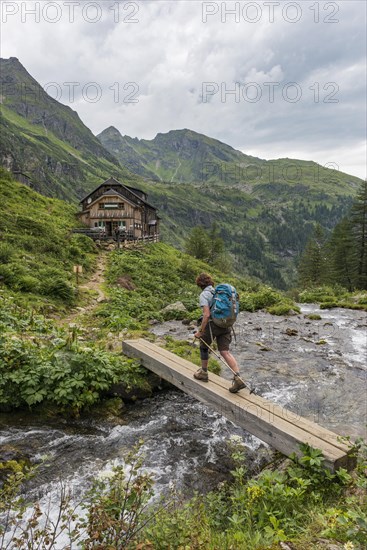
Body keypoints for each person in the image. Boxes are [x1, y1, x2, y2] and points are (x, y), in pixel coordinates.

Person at [193, 272, 246, 393]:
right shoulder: (218, 291)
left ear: (199, 284)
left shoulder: (204, 294)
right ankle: (238, 377)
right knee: (225, 352)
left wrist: (200, 332)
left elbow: (206, 315)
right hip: (226, 324)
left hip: (213, 325)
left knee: (203, 347)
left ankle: (203, 373)